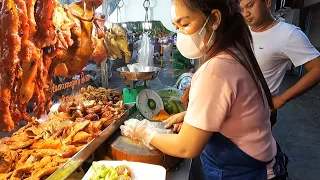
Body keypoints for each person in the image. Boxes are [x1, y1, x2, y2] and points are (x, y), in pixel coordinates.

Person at [120, 0, 288, 179]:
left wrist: (143, 132)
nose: (180, 34)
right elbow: (236, 106)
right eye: (177, 27)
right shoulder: (235, 51)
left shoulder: (217, 69)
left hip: (244, 173)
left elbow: (186, 146)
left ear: (214, 19)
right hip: (262, 161)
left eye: (185, 24)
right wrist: (191, 116)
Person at [240, 0, 320, 126]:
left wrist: (282, 99)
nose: (245, 13)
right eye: (241, 9)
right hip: (232, 108)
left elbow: (317, 69)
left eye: (250, 5)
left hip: (259, 113)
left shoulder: (288, 34)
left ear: (267, 2)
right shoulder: (242, 32)